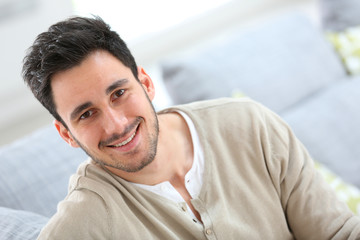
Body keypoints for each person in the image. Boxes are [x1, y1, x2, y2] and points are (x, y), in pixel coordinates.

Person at [22, 16, 360, 240]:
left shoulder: (249, 125)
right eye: (86, 114)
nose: (117, 124)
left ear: (146, 83)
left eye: (119, 93)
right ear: (66, 133)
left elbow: (337, 233)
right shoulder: (85, 223)